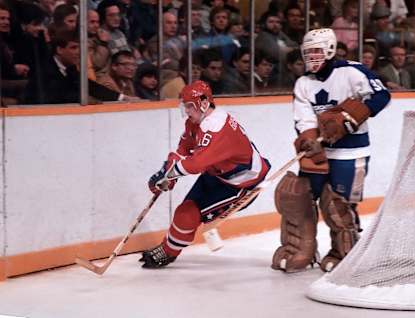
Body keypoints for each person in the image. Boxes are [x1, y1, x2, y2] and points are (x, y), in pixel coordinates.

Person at [271, 28, 390, 273]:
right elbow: (303, 119)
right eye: (307, 53)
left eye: (316, 51)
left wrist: (350, 119)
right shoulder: (303, 83)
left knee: (340, 206)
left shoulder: (352, 71)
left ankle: (345, 250)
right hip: (319, 154)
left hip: (351, 153)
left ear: (330, 49)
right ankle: (300, 249)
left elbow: (381, 95)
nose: (311, 57)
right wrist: (308, 140)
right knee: (298, 198)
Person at [140, 80, 271, 269]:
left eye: (189, 107)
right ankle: (168, 248)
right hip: (218, 173)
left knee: (186, 215)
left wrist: (169, 175)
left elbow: (196, 164)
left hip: (241, 183)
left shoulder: (216, 127)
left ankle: (168, 252)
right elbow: (184, 149)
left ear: (203, 103)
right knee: (184, 210)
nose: (186, 111)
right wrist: (166, 172)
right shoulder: (195, 122)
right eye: (184, 106)